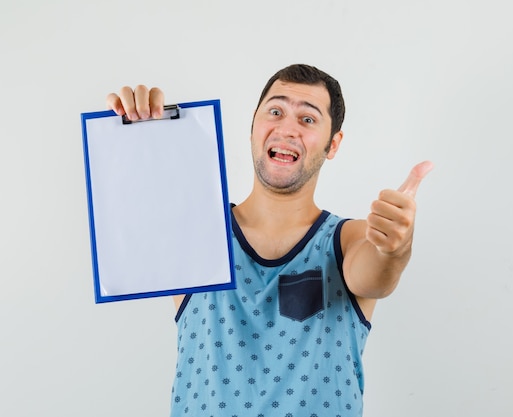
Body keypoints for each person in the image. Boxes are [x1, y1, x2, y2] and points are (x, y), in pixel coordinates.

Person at [106, 64, 432, 417]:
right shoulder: (196, 231)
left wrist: (394, 247)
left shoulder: (349, 239)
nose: (287, 128)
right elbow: (135, 201)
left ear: (332, 144)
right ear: (253, 127)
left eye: (307, 120)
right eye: (275, 111)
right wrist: (137, 131)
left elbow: (376, 274)